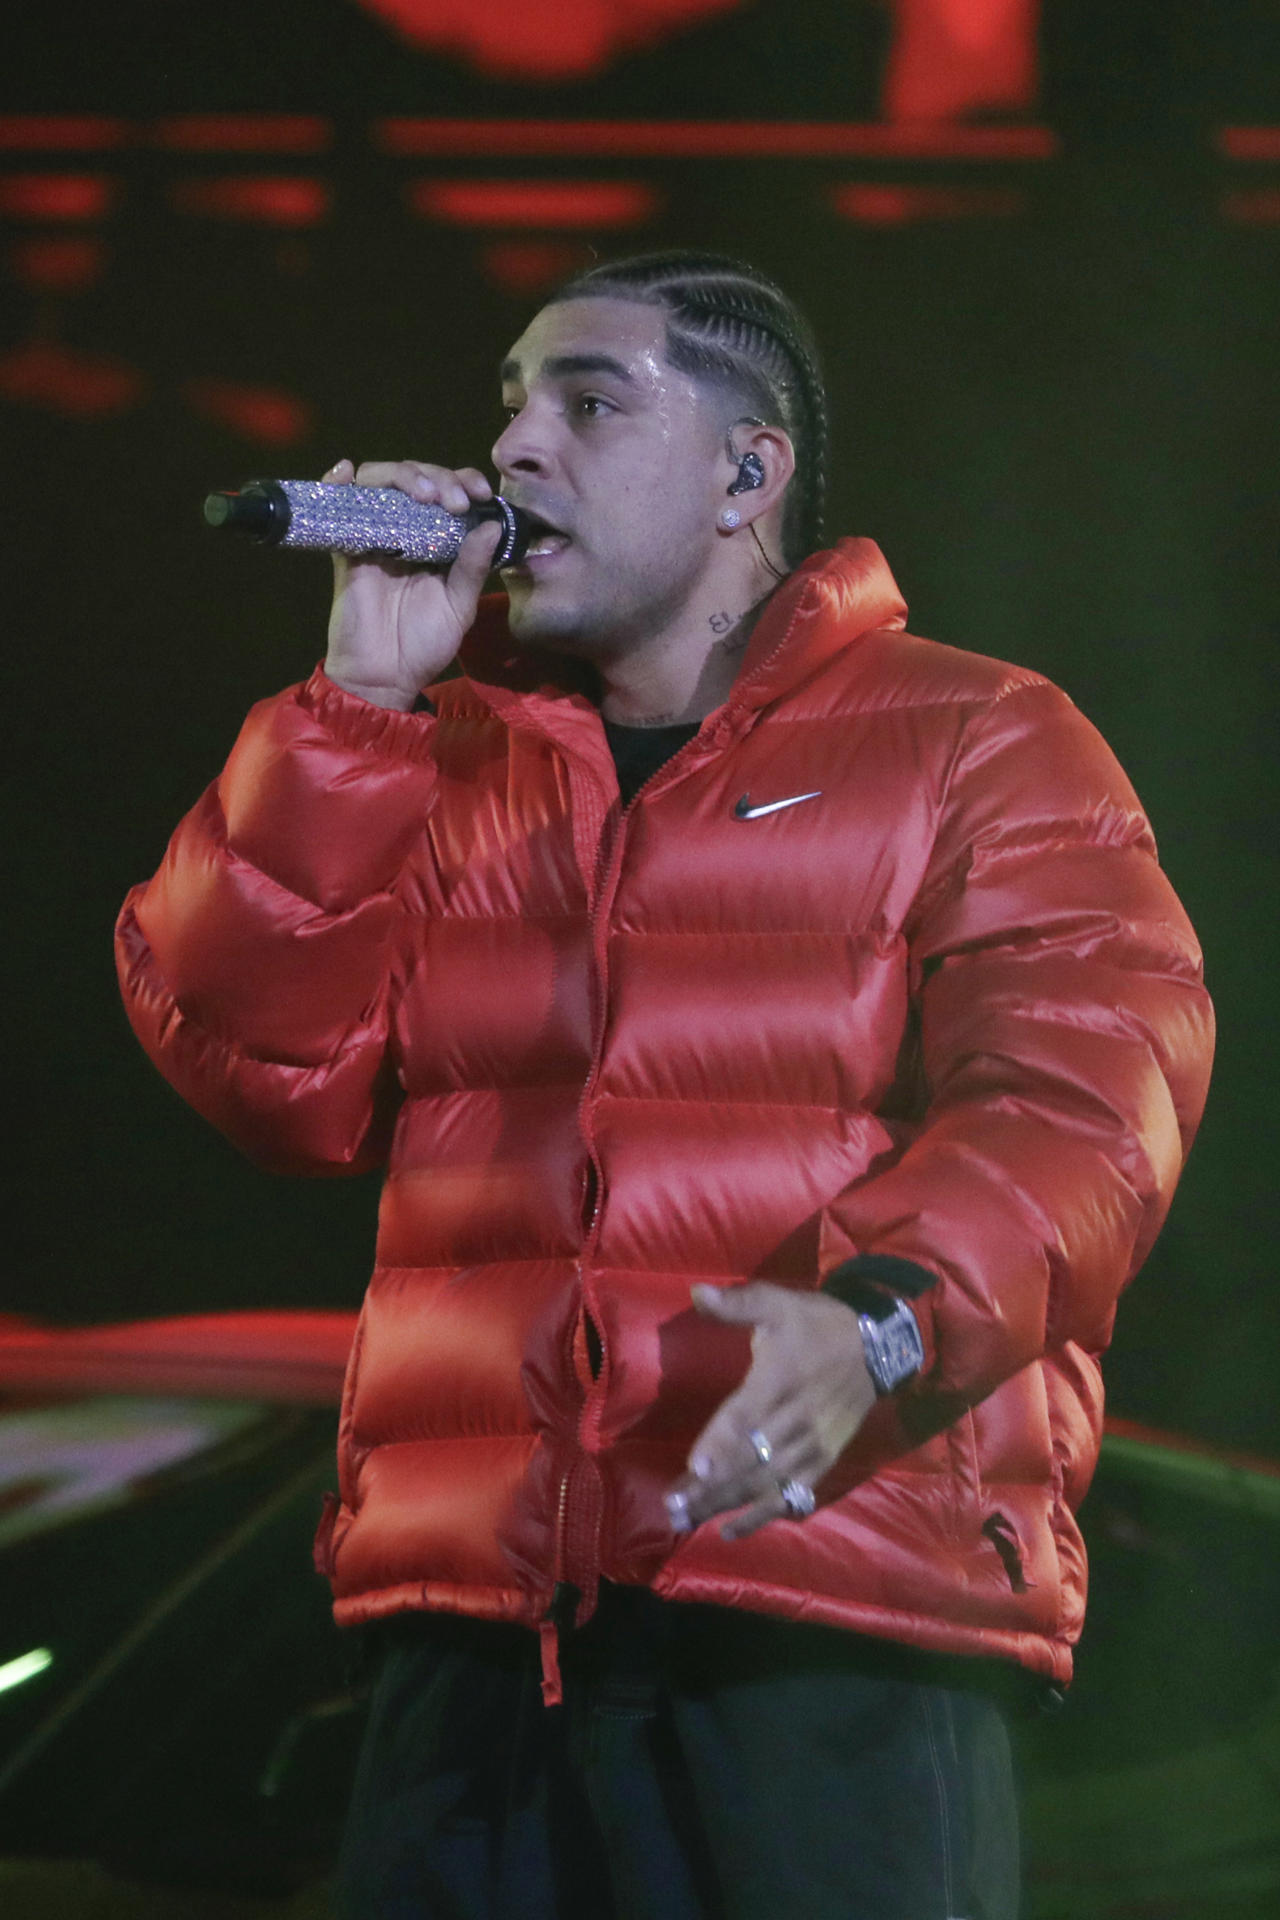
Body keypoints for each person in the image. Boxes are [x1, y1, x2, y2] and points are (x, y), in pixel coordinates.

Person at [115, 252, 1214, 1919]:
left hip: (826, 1623)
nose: (515, 452)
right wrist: (355, 702)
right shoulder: (437, 760)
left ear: (746, 472)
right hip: (470, 1645)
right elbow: (263, 1073)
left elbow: (1090, 1096)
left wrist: (886, 1320)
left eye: (587, 402)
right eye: (508, 406)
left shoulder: (973, 737)